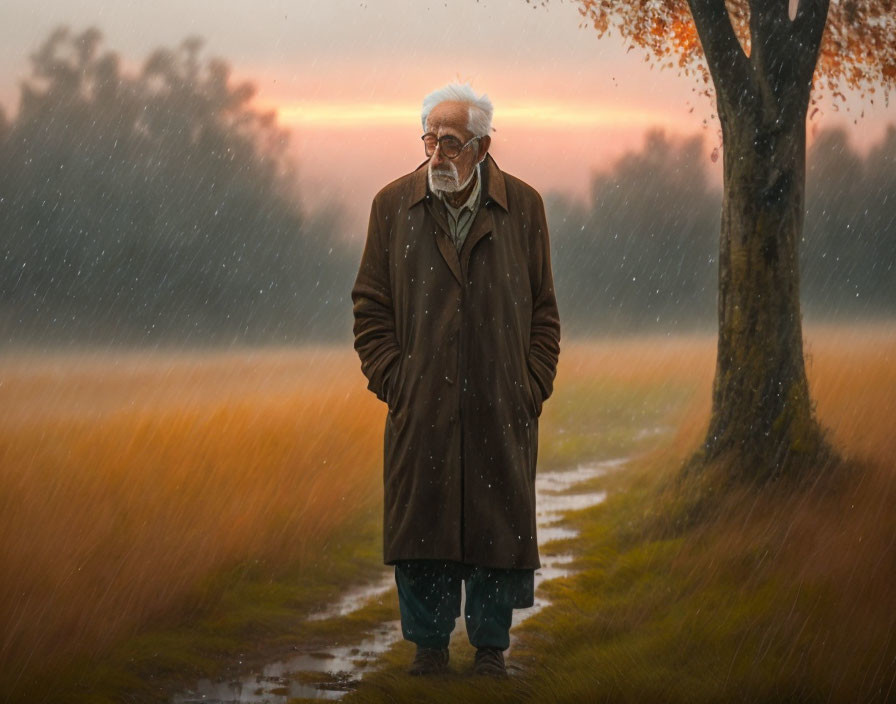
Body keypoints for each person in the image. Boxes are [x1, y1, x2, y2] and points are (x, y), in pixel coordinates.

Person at [351, 82, 561, 678]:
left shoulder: (524, 207)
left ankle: (491, 648)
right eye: (429, 140)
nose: (436, 154)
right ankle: (429, 648)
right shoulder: (391, 206)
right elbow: (370, 307)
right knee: (425, 527)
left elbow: (544, 311)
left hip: (502, 403)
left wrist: (530, 384)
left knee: (498, 527)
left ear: (482, 146)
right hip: (421, 407)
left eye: (450, 142)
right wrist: (398, 382)